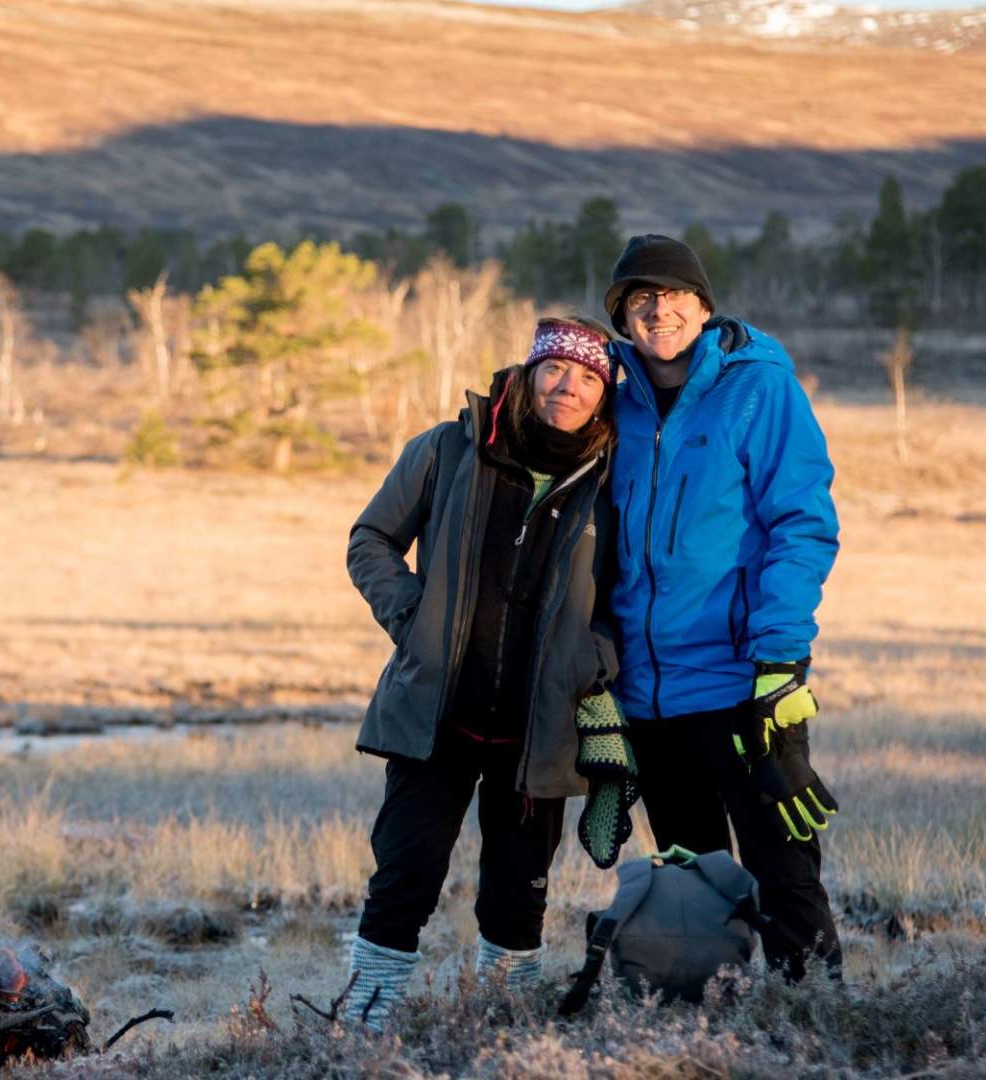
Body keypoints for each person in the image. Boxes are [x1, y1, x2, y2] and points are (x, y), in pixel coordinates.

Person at [340, 315, 638, 1030]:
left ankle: (500, 1034)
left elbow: (629, 597)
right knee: (403, 880)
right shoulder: (452, 449)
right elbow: (371, 539)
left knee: (518, 898)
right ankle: (362, 1030)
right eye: (556, 370)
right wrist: (414, 622)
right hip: (436, 717)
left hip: (539, 733)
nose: (569, 386)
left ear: (605, 395)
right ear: (530, 373)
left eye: (589, 377)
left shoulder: (610, 483)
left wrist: (594, 663)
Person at [599, 233, 843, 981]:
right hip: (649, 696)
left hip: (743, 684)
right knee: (692, 880)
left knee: (781, 864)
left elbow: (800, 524)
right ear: (622, 319)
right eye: (639, 300)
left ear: (704, 305)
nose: (657, 310)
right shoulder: (612, 400)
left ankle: (814, 1012)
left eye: (673, 294)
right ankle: (708, 1022)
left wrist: (780, 658)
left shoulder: (758, 387)